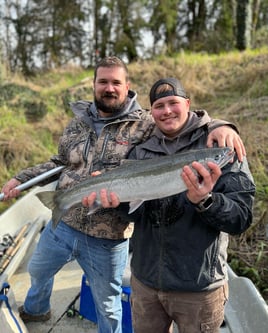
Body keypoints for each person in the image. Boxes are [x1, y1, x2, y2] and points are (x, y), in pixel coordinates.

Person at [1, 57, 246, 333]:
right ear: (94, 85)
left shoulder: (146, 122)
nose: (109, 88)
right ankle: (37, 311)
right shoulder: (77, 123)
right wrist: (20, 179)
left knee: (108, 306)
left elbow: (185, 122)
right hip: (66, 223)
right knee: (37, 269)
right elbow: (59, 163)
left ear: (127, 86)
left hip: (107, 235)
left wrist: (223, 127)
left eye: (116, 82)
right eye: (103, 82)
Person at [82, 77, 255, 333]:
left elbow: (241, 218)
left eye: (173, 103)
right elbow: (135, 215)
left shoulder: (220, 144)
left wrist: (206, 201)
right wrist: (115, 203)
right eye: (159, 106)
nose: (167, 111)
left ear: (188, 104)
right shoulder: (141, 152)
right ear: (151, 112)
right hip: (146, 284)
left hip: (198, 288)